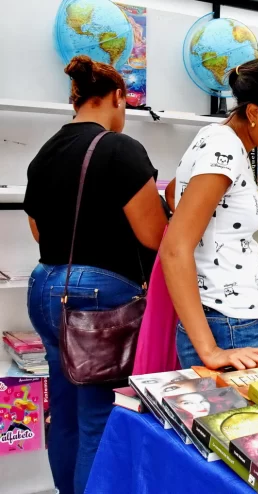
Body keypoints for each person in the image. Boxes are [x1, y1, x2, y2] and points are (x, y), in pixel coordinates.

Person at [24, 55, 167, 494]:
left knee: (63, 415)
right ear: (118, 98)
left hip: (45, 287)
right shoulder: (119, 148)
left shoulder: (45, 152)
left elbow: (37, 230)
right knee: (98, 423)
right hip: (98, 299)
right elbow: (153, 234)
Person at [160, 56, 258, 369]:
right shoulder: (226, 151)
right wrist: (211, 352)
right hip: (224, 325)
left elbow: (173, 192)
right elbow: (175, 250)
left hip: (230, 319)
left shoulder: (216, 138)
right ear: (255, 113)